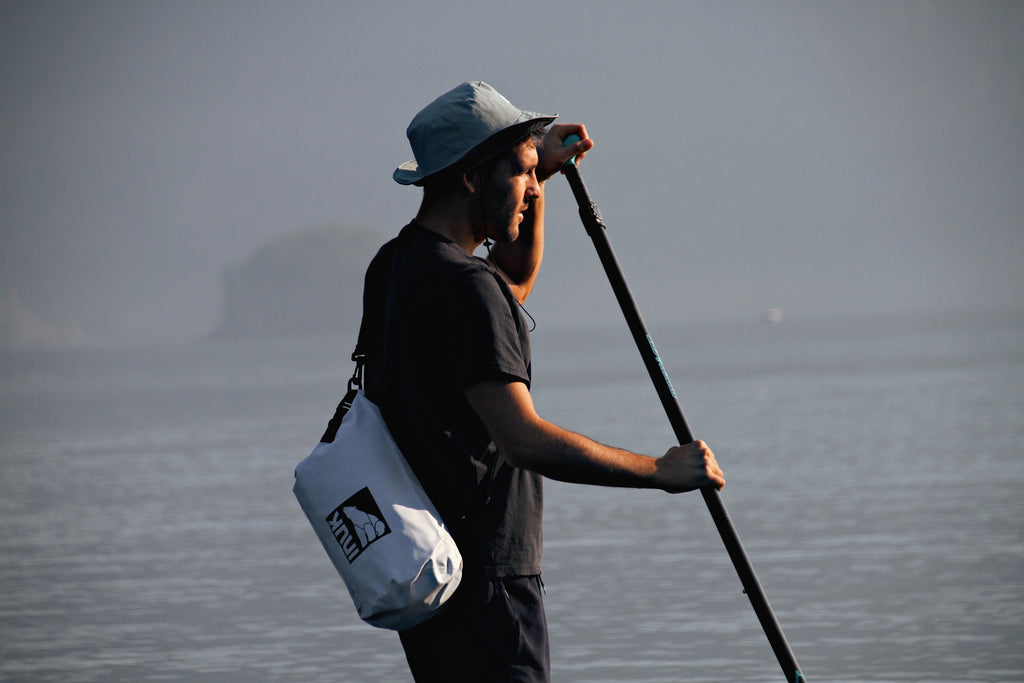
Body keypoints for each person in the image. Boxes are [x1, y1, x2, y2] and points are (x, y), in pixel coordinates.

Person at [361, 81, 725, 683]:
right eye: (524, 174)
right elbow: (522, 439)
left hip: (428, 575)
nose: (533, 188)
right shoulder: (466, 289)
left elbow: (513, 285)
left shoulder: (394, 266)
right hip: (488, 587)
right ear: (473, 179)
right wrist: (660, 472)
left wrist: (541, 174)